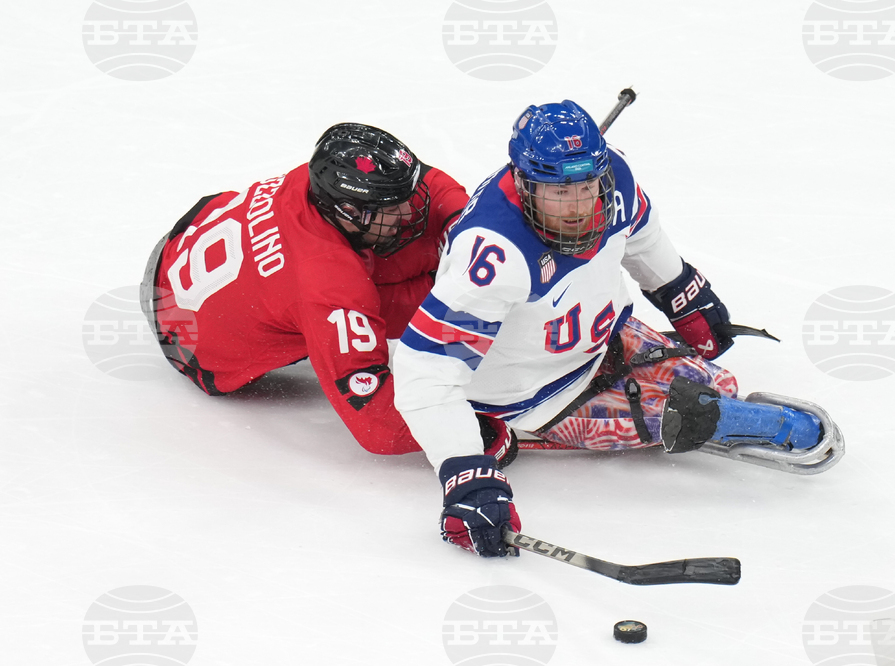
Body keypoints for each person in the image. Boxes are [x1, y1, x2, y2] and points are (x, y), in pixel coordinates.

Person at [392, 101, 826, 558]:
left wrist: (681, 291)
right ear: (522, 184)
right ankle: (530, 423)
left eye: (586, 186)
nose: (578, 207)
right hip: (538, 395)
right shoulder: (493, 256)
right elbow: (425, 372)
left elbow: (642, 236)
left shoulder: (615, 176)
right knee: (698, 413)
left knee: (717, 384)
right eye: (558, 191)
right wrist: (466, 476)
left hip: (605, 339)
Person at [140, 123, 475, 455]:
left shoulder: (327, 182)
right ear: (348, 211)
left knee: (419, 248)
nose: (408, 210)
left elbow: (426, 181)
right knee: (420, 280)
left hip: (184, 252)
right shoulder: (327, 286)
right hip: (191, 344)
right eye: (392, 206)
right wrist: (487, 429)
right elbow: (381, 425)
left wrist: (466, 231)